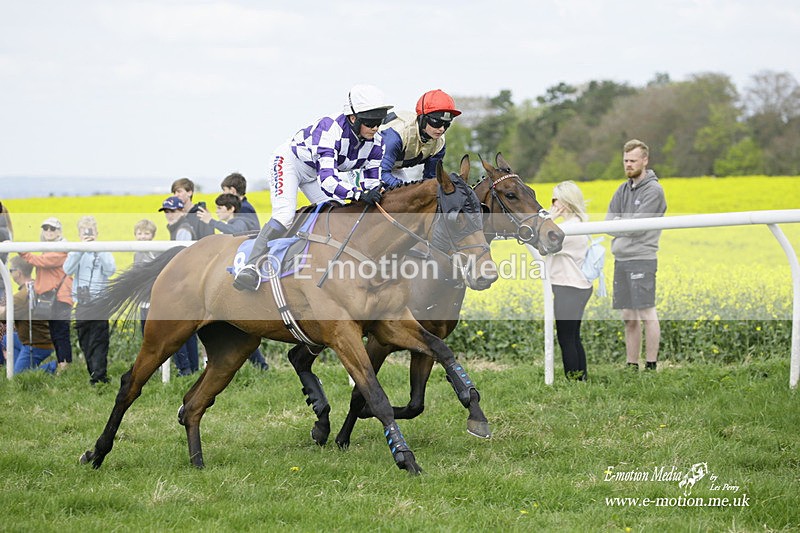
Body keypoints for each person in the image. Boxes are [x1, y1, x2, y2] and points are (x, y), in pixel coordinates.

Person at [233, 84, 392, 291]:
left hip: (313, 173)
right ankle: (251, 266)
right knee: (284, 216)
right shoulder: (330, 130)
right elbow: (328, 181)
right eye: (370, 122)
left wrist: (372, 194)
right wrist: (358, 193)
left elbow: (372, 183)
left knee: (334, 214)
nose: (375, 128)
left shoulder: (377, 143)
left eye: (379, 121)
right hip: (290, 163)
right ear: (353, 118)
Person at [605, 139, 667, 371]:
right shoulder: (622, 190)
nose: (629, 165)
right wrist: (624, 224)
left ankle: (651, 364)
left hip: (642, 257)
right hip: (621, 259)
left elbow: (639, 226)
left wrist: (623, 224)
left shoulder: (654, 190)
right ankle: (632, 364)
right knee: (628, 316)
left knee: (646, 311)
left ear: (645, 160)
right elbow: (608, 222)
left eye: (633, 160)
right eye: (626, 161)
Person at [195, 194, 270, 371]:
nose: (217, 212)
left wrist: (210, 221)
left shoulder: (240, 222)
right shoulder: (237, 221)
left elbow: (233, 233)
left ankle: (261, 366)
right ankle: (260, 366)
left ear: (231, 209)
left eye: (220, 208)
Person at [546, 181, 593, 381]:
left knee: (566, 338)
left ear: (566, 201)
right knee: (573, 336)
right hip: (577, 286)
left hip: (569, 287)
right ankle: (581, 378)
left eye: (556, 200)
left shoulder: (568, 228)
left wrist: (550, 217)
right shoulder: (577, 223)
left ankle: (574, 380)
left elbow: (543, 243)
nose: (554, 204)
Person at [64, 216, 116, 385]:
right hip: (82, 303)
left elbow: (110, 270)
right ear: (79, 233)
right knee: (85, 341)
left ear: (97, 232)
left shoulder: (103, 250)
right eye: (84, 231)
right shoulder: (76, 251)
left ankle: (100, 376)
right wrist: (81, 248)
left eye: (90, 231)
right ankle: (93, 372)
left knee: (99, 341)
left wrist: (97, 248)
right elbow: (67, 269)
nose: (87, 234)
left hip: (99, 303)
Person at [19, 217, 73, 373]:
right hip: (51, 298)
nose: (48, 231)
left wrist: (19, 249)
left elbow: (39, 261)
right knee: (56, 333)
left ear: (59, 231)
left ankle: (65, 366)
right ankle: (62, 364)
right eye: (46, 228)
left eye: (52, 229)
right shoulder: (49, 248)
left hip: (60, 297)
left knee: (61, 332)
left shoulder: (61, 248)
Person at [379, 89, 461, 186]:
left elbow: (431, 180)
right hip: (366, 165)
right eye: (437, 122)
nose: (442, 129)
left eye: (446, 124)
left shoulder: (440, 143)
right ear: (422, 119)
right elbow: (380, 172)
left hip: (392, 168)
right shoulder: (397, 135)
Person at [159, 197, 200, 375]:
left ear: (182, 211)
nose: (169, 215)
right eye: (167, 212)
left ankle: (185, 369)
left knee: (177, 328)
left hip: (184, 283)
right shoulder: (179, 228)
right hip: (188, 283)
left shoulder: (182, 230)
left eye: (172, 211)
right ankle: (191, 369)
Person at [0, 255, 57, 374]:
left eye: (11, 270)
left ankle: (54, 367)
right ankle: (18, 366)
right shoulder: (36, 286)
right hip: (41, 338)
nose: (10, 274)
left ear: (18, 273)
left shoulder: (21, 297)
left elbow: (4, 318)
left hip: (36, 344)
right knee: (7, 339)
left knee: (17, 377)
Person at [133, 219, 159, 334]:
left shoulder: (156, 252)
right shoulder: (137, 254)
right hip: (142, 300)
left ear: (152, 235)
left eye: (146, 233)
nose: (142, 237)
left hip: (154, 301)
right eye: (139, 233)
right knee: (145, 332)